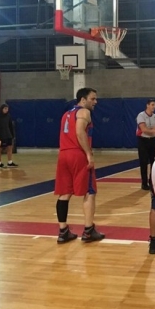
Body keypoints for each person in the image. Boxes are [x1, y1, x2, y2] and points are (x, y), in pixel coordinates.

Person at [54, 87, 105, 244]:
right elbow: (79, 132)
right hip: (78, 154)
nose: (95, 102)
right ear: (83, 100)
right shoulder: (84, 112)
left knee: (65, 193)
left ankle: (63, 232)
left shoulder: (65, 114)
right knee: (90, 191)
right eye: (93, 99)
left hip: (63, 154)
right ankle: (89, 231)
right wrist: (89, 153)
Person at [136, 99, 155, 191]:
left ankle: (152, 182)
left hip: (153, 140)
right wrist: (153, 130)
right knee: (143, 162)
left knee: (154, 162)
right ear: (147, 105)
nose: (154, 107)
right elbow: (144, 129)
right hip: (143, 140)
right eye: (152, 105)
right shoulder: (141, 115)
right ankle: (144, 183)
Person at [0, 103, 18, 168]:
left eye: (7, 109)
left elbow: (10, 126)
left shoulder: (8, 116)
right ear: (2, 109)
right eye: (5, 109)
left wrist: (12, 135)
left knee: (9, 148)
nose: (7, 110)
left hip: (8, 135)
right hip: (0, 136)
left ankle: (10, 162)